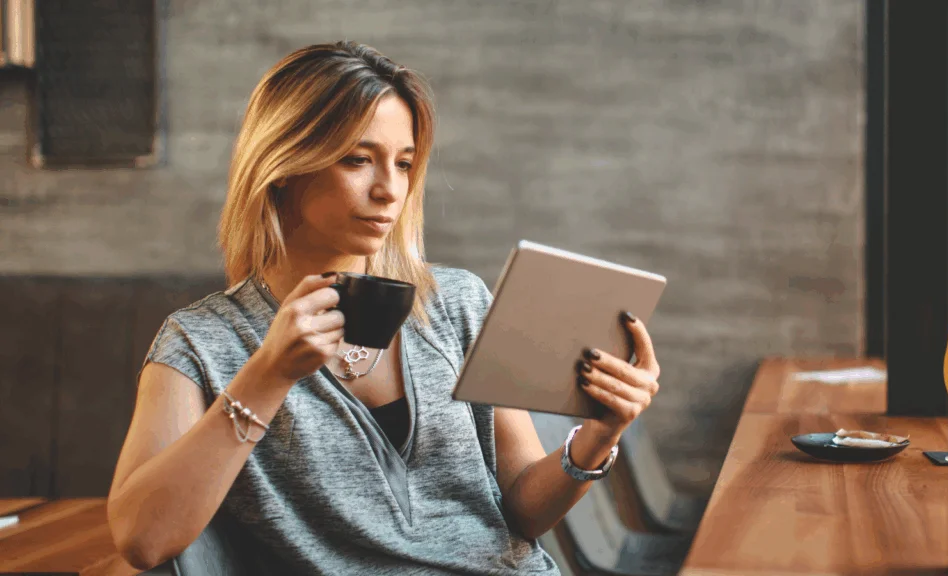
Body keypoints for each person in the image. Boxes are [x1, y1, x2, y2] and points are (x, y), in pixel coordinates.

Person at [107, 41, 663, 575]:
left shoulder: (456, 304)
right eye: (357, 160)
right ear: (283, 165)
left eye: (403, 163)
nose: (389, 190)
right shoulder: (202, 342)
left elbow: (522, 510)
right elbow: (143, 540)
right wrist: (266, 377)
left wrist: (598, 435)